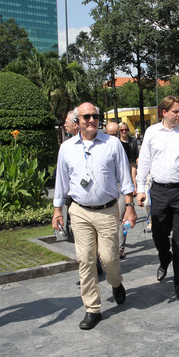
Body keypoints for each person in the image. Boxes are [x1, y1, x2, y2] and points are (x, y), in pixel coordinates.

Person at [53, 103, 136, 330]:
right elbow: (61, 181)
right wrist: (57, 210)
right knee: (85, 259)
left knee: (109, 259)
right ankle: (92, 308)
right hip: (79, 211)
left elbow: (125, 178)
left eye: (95, 116)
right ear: (77, 120)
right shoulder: (67, 148)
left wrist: (129, 206)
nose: (91, 120)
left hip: (108, 210)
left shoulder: (112, 144)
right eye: (86, 117)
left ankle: (116, 283)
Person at [136, 96, 179, 301]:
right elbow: (145, 160)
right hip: (159, 190)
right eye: (175, 111)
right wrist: (140, 188)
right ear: (163, 113)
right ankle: (165, 258)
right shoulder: (152, 132)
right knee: (158, 233)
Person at [105, 122, 137, 259]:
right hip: (109, 187)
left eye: (117, 134)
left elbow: (132, 165)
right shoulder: (102, 146)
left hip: (123, 186)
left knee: (123, 218)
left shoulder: (126, 145)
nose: (114, 137)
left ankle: (121, 247)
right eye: (111, 134)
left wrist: (134, 183)